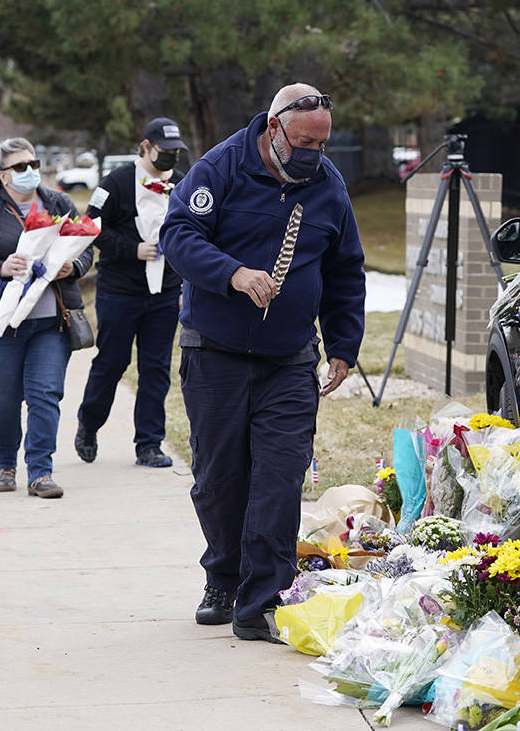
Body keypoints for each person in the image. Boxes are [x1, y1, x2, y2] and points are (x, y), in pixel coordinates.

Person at [161, 84, 365, 642]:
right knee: (219, 480)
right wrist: (232, 273)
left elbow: (345, 269)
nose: (312, 153)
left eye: (322, 143)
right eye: (303, 141)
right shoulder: (220, 167)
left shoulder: (327, 184)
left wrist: (344, 345)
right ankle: (223, 577)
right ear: (274, 127)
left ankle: (262, 602)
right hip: (215, 353)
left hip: (290, 358)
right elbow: (178, 234)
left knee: (278, 477)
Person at [0, 137, 94, 499]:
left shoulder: (58, 203)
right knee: (4, 397)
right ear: (3, 176)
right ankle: (5, 463)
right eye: (19, 167)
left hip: (50, 323)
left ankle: (41, 472)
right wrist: (1, 266)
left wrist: (72, 266)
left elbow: (86, 248)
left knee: (45, 395)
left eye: (32, 164)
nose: (29, 171)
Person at [74, 117, 188, 468]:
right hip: (120, 290)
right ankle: (89, 423)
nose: (170, 158)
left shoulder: (182, 185)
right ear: (145, 146)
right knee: (112, 363)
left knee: (156, 368)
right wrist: (132, 249)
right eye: (164, 151)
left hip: (164, 292)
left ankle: (149, 444)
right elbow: (90, 228)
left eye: (175, 153)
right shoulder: (116, 182)